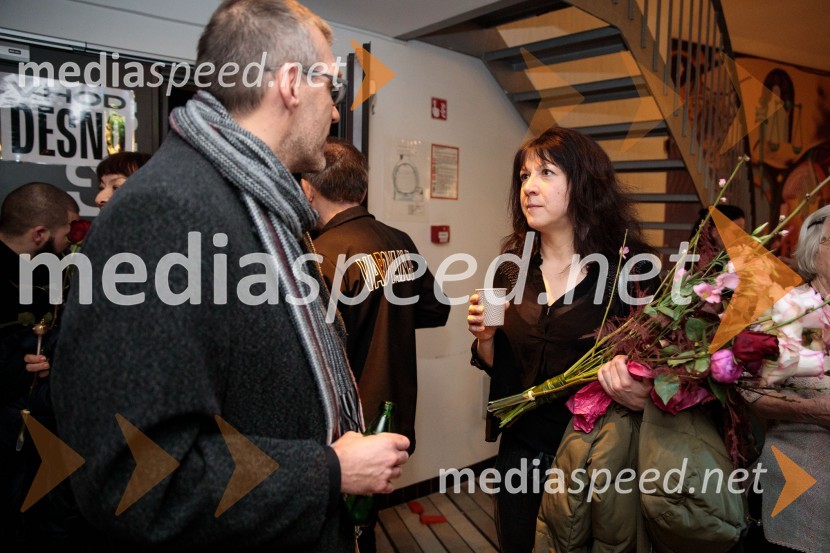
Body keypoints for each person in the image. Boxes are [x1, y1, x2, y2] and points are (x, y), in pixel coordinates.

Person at [51, 1, 409, 551]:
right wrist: (328, 471)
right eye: (331, 88)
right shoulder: (167, 213)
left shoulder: (260, 204)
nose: (336, 113)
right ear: (290, 84)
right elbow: (135, 476)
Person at [466, 126, 657, 553]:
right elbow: (505, 368)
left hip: (592, 460)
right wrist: (485, 339)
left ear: (584, 183)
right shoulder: (510, 268)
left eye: (546, 173)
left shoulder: (630, 272)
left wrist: (641, 393)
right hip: (520, 457)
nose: (529, 187)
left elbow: (660, 374)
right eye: (524, 176)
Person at [302, 137, 450, 553]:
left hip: (345, 424)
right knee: (362, 522)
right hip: (392, 409)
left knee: (341, 528)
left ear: (308, 190)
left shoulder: (319, 256)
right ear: (363, 188)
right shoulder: (398, 240)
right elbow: (436, 309)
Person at [744, 205, 830, 552]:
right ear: (813, 249)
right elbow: (748, 391)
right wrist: (812, 409)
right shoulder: (787, 311)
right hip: (802, 492)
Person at [0, 182, 81, 547]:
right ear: (39, 234)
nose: (69, 243)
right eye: (67, 233)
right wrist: (16, 364)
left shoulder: (47, 274)